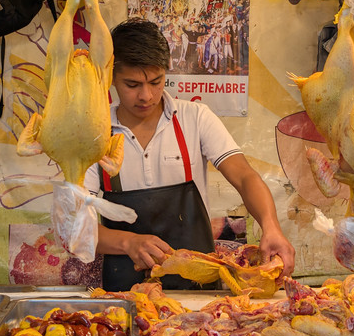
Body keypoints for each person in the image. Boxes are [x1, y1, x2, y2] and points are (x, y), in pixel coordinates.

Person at [85, 18, 295, 291]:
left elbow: (244, 176)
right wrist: (128, 242)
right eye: (132, 84)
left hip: (197, 292)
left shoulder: (194, 118)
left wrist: (271, 226)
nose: (146, 95)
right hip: (125, 294)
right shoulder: (95, 135)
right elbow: (76, 228)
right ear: (111, 77)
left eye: (156, 81)